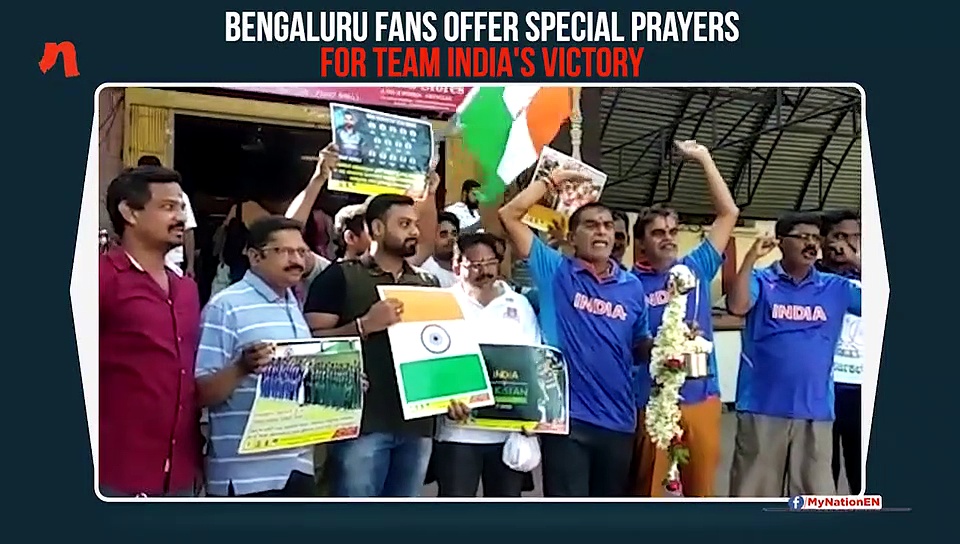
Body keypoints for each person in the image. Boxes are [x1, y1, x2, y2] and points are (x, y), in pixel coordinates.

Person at [498, 169, 651, 497]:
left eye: (608, 226)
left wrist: (674, 345)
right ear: (571, 236)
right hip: (567, 421)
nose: (602, 231)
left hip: (619, 420)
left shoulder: (633, 287)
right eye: (591, 225)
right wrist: (552, 182)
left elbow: (640, 346)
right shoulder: (556, 271)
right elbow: (509, 215)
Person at [304, 192, 440, 497]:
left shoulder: (428, 283)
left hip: (417, 426)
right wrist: (362, 325)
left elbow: (443, 347)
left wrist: (454, 393)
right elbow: (306, 344)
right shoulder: (339, 276)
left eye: (415, 224)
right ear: (377, 228)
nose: (415, 232)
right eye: (404, 224)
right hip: (361, 426)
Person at [629, 140, 740, 497]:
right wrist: (660, 343)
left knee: (701, 492)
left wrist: (705, 159)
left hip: (701, 398)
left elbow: (728, 214)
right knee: (649, 492)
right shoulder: (628, 284)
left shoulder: (695, 268)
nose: (668, 239)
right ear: (641, 242)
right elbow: (629, 343)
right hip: (651, 400)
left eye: (673, 232)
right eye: (658, 233)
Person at [726, 212, 862, 497]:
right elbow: (738, 306)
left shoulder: (835, 287)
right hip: (763, 409)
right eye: (802, 237)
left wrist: (856, 261)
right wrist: (750, 258)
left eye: (816, 238)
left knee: (814, 498)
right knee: (754, 495)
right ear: (781, 242)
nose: (811, 244)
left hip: (815, 411)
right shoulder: (761, 281)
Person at [195, 216, 318, 497]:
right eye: (285, 252)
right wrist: (241, 368)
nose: (297, 260)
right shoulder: (226, 306)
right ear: (254, 256)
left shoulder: (293, 304)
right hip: (245, 477)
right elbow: (200, 393)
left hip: (297, 467)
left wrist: (339, 382)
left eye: (301, 252)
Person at [100, 165, 201, 497]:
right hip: (116, 472)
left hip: (180, 474)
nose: (181, 217)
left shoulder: (186, 289)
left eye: (182, 207)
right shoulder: (100, 279)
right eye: (168, 207)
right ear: (129, 212)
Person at [435, 233, 541, 497]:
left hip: (507, 433)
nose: (484, 270)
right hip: (458, 433)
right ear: (457, 266)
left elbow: (535, 361)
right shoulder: (440, 304)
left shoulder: (519, 304)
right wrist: (442, 399)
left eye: (490, 262)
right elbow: (432, 362)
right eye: (474, 264)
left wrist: (534, 414)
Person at [816, 210, 862, 494]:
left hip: (861, 386)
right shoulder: (813, 274)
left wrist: (858, 261)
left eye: (855, 236)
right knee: (823, 463)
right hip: (824, 384)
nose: (847, 244)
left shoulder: (872, 271)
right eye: (839, 236)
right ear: (824, 240)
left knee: (860, 461)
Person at [137, 155, 197, 277]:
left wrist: (190, 265)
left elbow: (188, 230)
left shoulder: (180, 196)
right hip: (140, 260)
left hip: (172, 261)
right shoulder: (134, 198)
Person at [418, 211, 460, 288]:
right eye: (443, 234)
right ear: (432, 238)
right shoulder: (427, 272)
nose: (451, 238)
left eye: (454, 234)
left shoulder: (467, 267)